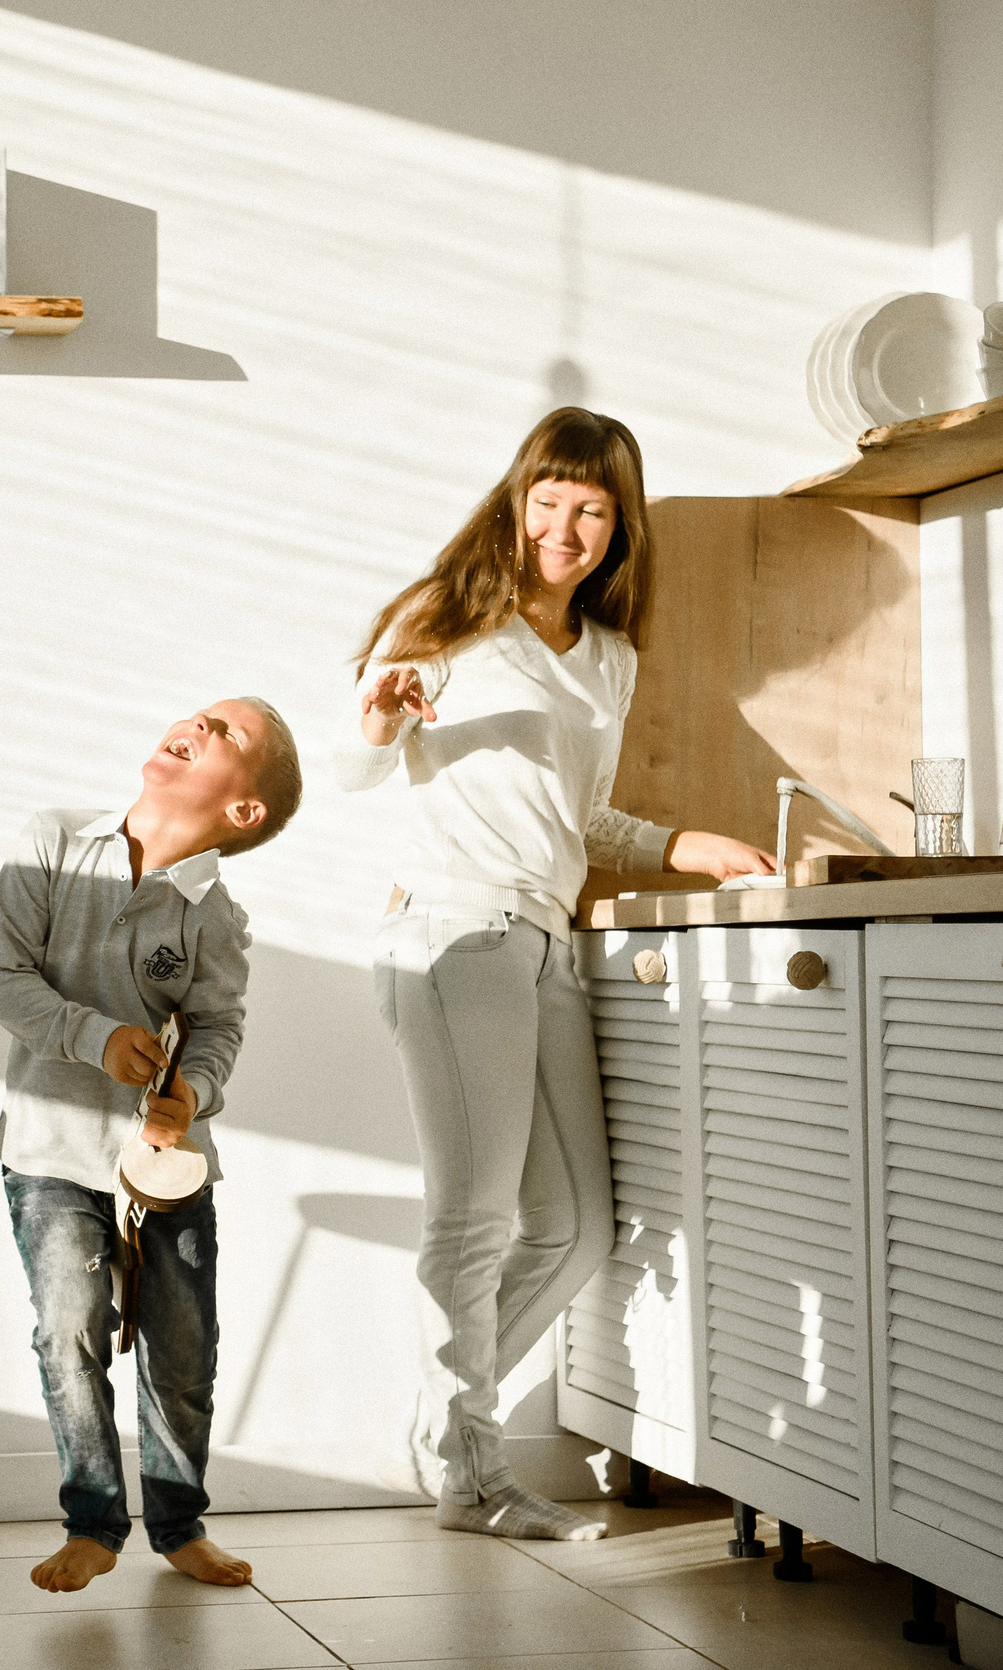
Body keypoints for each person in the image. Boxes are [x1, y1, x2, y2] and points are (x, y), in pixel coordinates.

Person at [338, 408, 773, 1541]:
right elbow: (352, 762)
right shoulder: (444, 617)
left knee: (576, 1223)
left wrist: (685, 845)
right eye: (548, 499)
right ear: (515, 497)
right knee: (474, 1215)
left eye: (590, 507)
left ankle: (447, 1428)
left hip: (542, 942)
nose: (564, 526)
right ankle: (471, 1467)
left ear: (619, 524)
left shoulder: (613, 657)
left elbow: (584, 818)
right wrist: (379, 716)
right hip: (449, 936)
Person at [0, 697, 306, 1593]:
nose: (197, 727)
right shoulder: (49, 841)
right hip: (47, 1144)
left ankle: (179, 1522)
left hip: (165, 1166)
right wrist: (92, 1036)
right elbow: (1, 979)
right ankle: (93, 1521)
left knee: (181, 1344)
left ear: (245, 811)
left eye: (227, 735)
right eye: (200, 716)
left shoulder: (215, 915)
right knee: (69, 1329)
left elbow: (217, 1029)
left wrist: (187, 1093)